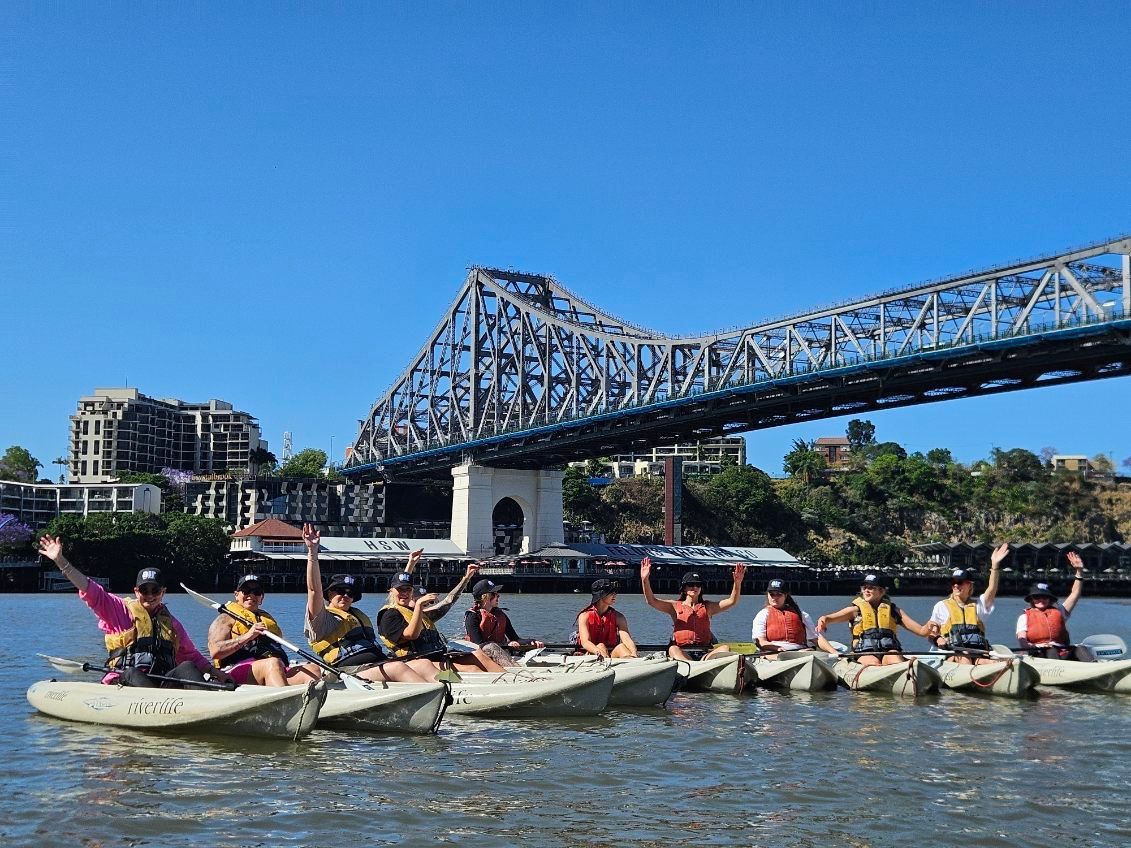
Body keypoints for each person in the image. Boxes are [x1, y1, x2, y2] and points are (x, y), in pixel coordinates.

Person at [36, 534, 234, 689]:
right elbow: (89, 588)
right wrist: (61, 562)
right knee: (132, 672)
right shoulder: (118, 610)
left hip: (160, 683)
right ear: (136, 591)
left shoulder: (171, 624)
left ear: (163, 592)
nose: (149, 595)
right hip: (126, 682)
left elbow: (192, 656)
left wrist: (216, 673)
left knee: (187, 667)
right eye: (144, 590)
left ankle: (204, 700)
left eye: (155, 590)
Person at [301, 523, 436, 683]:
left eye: (350, 593)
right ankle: (435, 696)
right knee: (397, 668)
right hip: (345, 673)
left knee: (423, 664)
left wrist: (410, 565)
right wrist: (312, 553)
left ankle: (450, 694)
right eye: (340, 591)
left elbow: (399, 591)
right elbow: (314, 590)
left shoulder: (354, 614)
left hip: (375, 664)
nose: (345, 595)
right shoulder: (322, 618)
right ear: (329, 594)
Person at [378, 564, 506, 673]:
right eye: (400, 590)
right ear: (391, 591)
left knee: (478, 655)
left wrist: (466, 578)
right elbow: (411, 635)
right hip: (417, 662)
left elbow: (448, 602)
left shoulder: (419, 614)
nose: (404, 593)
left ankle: (512, 679)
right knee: (472, 669)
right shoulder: (390, 614)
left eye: (408, 589)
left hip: (438, 655)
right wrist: (418, 605)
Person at [207, 573, 322, 686]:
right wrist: (248, 636)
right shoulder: (225, 618)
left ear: (261, 597)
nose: (251, 595)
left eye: (256, 592)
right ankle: (282, 700)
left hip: (275, 668)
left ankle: (311, 700)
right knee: (272, 663)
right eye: (246, 590)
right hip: (236, 669)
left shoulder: (265, 619)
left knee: (312, 669)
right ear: (236, 595)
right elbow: (215, 651)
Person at [639, 557, 745, 660]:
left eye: (698, 585)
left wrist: (737, 583)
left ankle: (704, 667)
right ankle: (690, 667)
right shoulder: (674, 606)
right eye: (690, 584)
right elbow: (651, 601)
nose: (694, 587)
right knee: (673, 649)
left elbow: (732, 601)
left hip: (704, 653)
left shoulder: (708, 607)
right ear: (684, 589)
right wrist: (645, 580)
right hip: (683, 652)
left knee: (725, 648)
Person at [816, 573, 932, 666]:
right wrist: (823, 621)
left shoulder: (893, 610)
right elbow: (829, 618)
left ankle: (900, 673)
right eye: (864, 587)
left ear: (881, 591)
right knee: (874, 663)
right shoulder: (855, 610)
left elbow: (922, 631)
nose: (866, 590)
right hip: (865, 652)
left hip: (889, 651)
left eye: (871, 588)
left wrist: (930, 625)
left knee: (894, 658)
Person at [925, 543, 1006, 665]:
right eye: (953, 582)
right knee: (965, 658)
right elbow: (931, 632)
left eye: (960, 582)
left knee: (987, 661)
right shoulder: (941, 606)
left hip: (978, 651)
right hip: (953, 653)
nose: (956, 585)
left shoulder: (979, 606)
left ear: (969, 585)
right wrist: (938, 638)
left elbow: (991, 590)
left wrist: (995, 566)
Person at [1016, 551, 1089, 659]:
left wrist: (1079, 571)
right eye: (1037, 597)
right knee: (1051, 650)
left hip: (1061, 651)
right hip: (1039, 653)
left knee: (1081, 648)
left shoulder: (1059, 611)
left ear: (1050, 599)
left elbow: (1074, 594)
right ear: (1031, 599)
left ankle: (1096, 666)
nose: (1041, 600)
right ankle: (1057, 673)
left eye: (1045, 597)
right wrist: (1029, 648)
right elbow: (1022, 640)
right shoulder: (1024, 617)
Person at [462, 577, 545, 667]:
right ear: (485, 597)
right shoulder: (472, 616)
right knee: (491, 647)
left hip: (501, 651)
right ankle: (516, 669)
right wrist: (507, 644)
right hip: (480, 656)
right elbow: (479, 644)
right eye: (494, 594)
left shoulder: (500, 615)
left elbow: (515, 639)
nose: (498, 596)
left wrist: (531, 642)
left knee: (531, 646)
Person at [752, 578, 820, 653]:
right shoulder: (762, 614)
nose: (775, 598)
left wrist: (834, 653)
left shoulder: (800, 613)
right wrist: (776, 648)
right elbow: (760, 642)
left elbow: (816, 639)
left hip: (800, 651)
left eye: (779, 594)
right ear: (767, 595)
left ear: (785, 595)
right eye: (772, 594)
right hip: (773, 653)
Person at [576, 578, 638, 659]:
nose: (615, 595)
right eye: (611, 592)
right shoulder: (584, 616)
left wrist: (633, 652)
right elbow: (585, 642)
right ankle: (606, 663)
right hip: (591, 654)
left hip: (611, 654)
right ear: (601, 595)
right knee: (601, 646)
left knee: (622, 647)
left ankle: (632, 661)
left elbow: (626, 638)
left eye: (615, 592)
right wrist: (597, 651)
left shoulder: (619, 617)